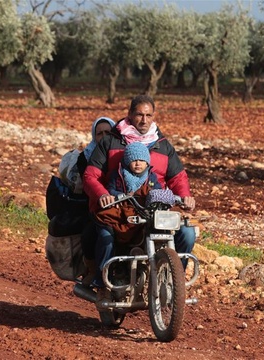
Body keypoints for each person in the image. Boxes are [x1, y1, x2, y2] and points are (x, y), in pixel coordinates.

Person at [83, 94, 197, 299]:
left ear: (154, 117)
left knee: (187, 234)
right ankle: (103, 282)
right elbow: (91, 175)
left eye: (148, 115)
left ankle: (174, 283)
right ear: (129, 115)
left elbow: (178, 177)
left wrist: (185, 197)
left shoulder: (162, 144)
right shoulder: (111, 141)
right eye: (139, 115)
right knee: (106, 237)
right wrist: (103, 195)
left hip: (154, 210)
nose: (144, 120)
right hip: (116, 209)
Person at [45, 116, 115, 284]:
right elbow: (89, 182)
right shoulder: (86, 157)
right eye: (100, 133)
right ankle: (93, 272)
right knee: (91, 234)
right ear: (94, 136)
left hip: (123, 204)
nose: (104, 137)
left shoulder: (121, 153)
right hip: (94, 205)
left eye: (108, 132)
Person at [95, 141, 161, 243]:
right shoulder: (117, 174)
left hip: (144, 212)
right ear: (127, 161)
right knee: (107, 232)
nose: (138, 163)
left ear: (147, 162)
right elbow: (110, 190)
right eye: (134, 160)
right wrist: (122, 196)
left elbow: (158, 191)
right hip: (123, 210)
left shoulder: (151, 177)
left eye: (141, 160)